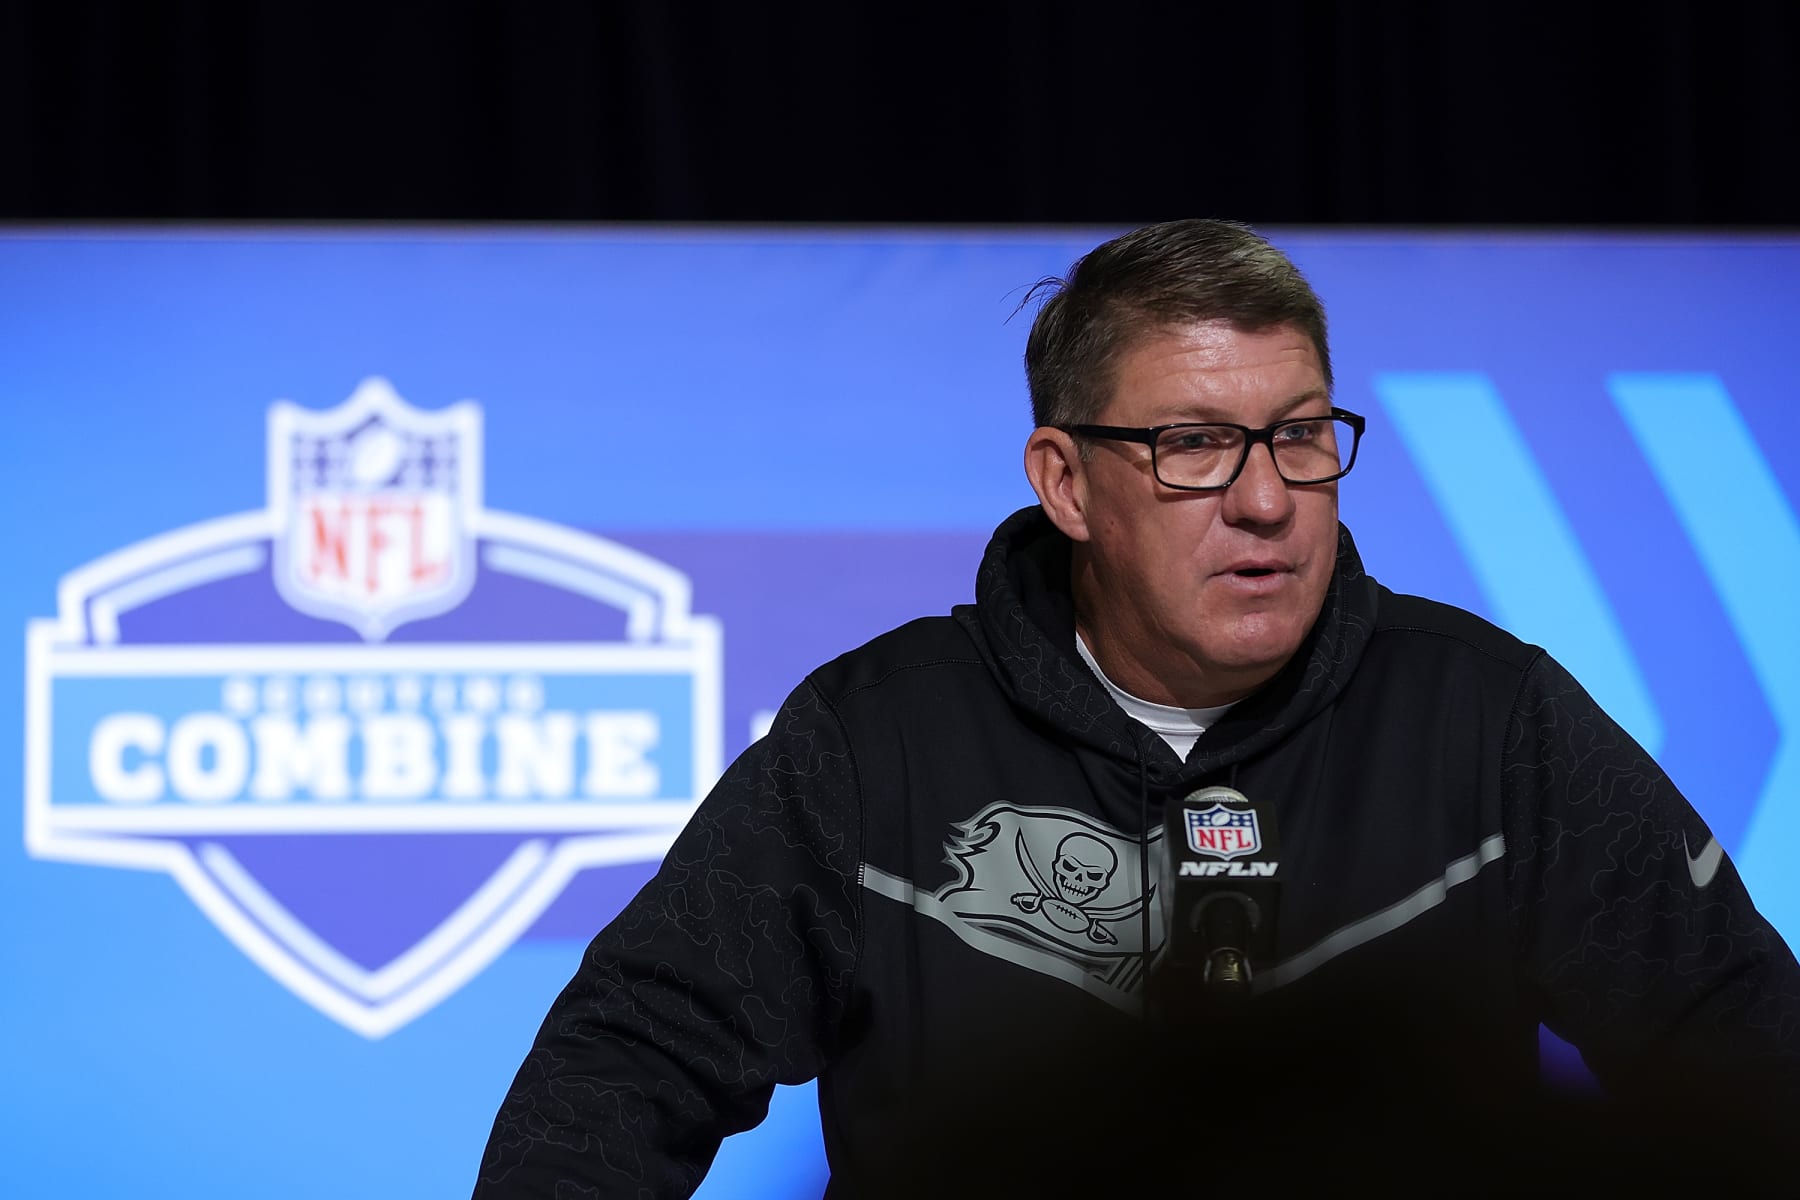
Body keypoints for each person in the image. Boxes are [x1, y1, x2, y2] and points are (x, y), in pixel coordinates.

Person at [473, 220, 1800, 1197]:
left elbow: (1744, 1055)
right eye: (1193, 445)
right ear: (1066, 483)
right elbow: (620, 1073)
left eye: (1298, 434)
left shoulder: (1493, 722)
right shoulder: (873, 741)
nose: (1269, 496)